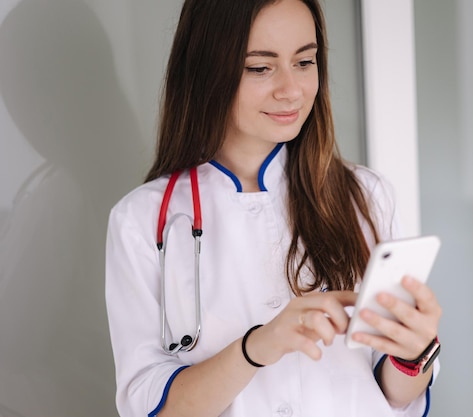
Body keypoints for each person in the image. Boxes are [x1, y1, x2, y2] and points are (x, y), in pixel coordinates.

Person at [105, 0, 442, 416]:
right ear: (208, 68)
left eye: (304, 61)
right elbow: (150, 406)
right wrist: (256, 347)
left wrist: (412, 354)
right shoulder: (140, 222)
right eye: (260, 68)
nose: (291, 89)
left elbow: (395, 394)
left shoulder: (366, 196)